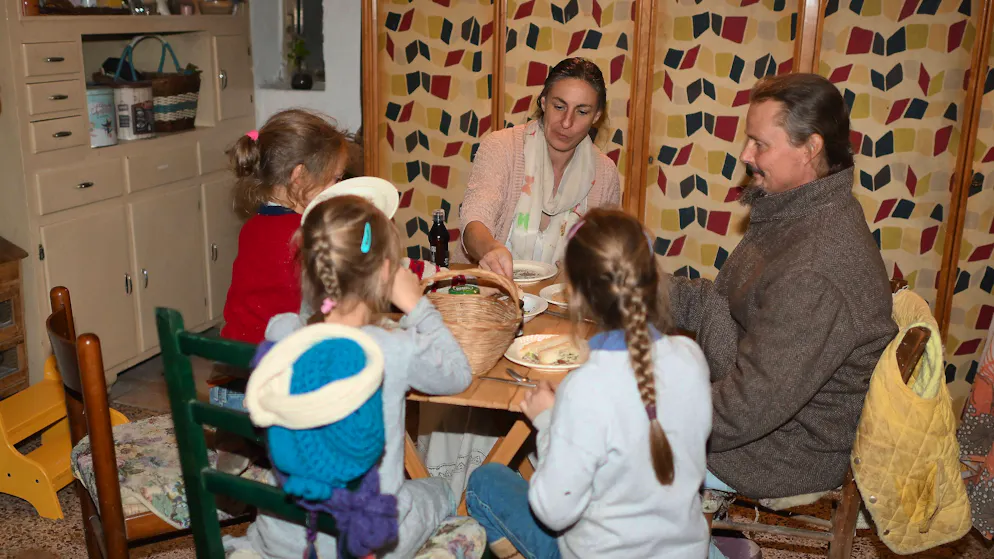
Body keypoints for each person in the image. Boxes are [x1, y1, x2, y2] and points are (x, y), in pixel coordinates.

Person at [666, 73, 898, 502]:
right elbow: (719, 302)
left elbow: (744, 410)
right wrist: (635, 286)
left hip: (778, 452)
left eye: (760, 144)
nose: (745, 154)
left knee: (609, 445)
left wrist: (655, 417)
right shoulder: (792, 213)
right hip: (753, 411)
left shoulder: (817, 268)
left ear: (810, 148)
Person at [224, 195, 475, 558]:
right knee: (440, 490)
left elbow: (299, 320)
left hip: (280, 535)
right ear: (386, 272)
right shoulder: (395, 346)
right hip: (364, 542)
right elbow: (458, 374)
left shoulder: (282, 334)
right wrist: (417, 306)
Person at [465, 208, 712, 559]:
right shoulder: (691, 357)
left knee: (485, 482)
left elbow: (554, 510)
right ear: (654, 277)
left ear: (576, 296)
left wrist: (549, 422)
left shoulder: (585, 388)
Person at [210, 109, 351, 410]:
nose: (339, 187)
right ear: (299, 176)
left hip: (231, 377)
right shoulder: (306, 236)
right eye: (335, 179)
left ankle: (234, 448)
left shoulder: (253, 227)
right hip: (274, 386)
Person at [459, 57, 621, 277]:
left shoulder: (604, 173)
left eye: (582, 112)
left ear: (596, 116)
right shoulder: (503, 148)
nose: (566, 122)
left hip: (562, 305)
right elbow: (474, 221)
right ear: (544, 102)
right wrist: (490, 249)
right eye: (559, 106)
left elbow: (607, 253)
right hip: (492, 296)